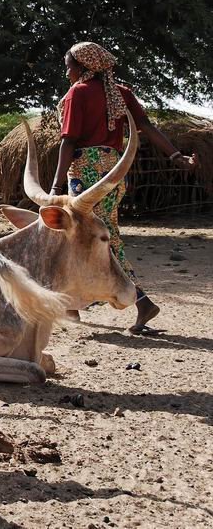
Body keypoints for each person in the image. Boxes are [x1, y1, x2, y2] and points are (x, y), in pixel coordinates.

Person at [50, 42, 197, 335]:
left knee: (99, 236)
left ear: (84, 67)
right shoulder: (121, 93)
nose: (67, 72)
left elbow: (68, 140)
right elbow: (146, 126)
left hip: (86, 171)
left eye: (70, 65)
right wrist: (175, 156)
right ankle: (72, 304)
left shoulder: (79, 93)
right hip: (115, 172)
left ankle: (141, 301)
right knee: (83, 235)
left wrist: (55, 185)